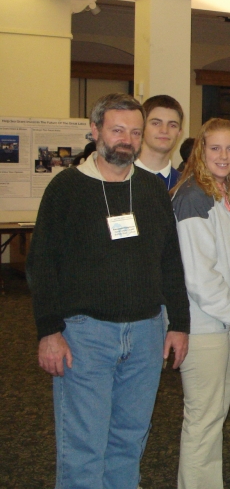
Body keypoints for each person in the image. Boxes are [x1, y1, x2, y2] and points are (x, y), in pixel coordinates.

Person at [27, 93, 190, 488]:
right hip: (85, 335)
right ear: (95, 129)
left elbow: (170, 260)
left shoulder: (151, 190)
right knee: (83, 445)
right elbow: (42, 264)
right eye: (117, 130)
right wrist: (49, 331)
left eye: (135, 132)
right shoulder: (66, 188)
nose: (126, 140)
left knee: (130, 440)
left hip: (147, 333)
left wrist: (179, 323)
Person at [171, 118, 230, 489]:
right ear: (200, 151)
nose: (223, 156)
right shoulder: (193, 196)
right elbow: (199, 275)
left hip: (224, 323)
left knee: (214, 415)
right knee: (203, 418)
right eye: (214, 148)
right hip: (206, 324)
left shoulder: (223, 194)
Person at [135, 94, 184, 190]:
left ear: (179, 133)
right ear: (141, 127)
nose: (164, 130)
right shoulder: (120, 177)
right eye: (156, 123)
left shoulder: (184, 185)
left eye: (172, 125)